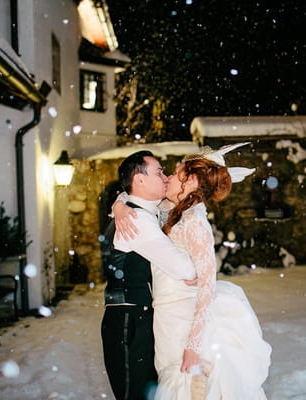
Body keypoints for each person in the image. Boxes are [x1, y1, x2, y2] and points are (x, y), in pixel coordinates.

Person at [115, 143, 271, 399]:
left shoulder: (195, 221)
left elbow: (207, 286)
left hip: (184, 320)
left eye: (176, 175)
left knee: (187, 387)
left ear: (190, 183)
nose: (167, 178)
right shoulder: (170, 210)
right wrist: (119, 205)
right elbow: (136, 196)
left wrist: (193, 346)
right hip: (165, 317)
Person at [101, 150, 197, 400]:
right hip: (129, 319)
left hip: (136, 316)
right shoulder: (138, 220)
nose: (165, 177)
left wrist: (118, 202)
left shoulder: (137, 209)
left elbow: (126, 193)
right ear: (140, 180)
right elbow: (186, 269)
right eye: (159, 172)